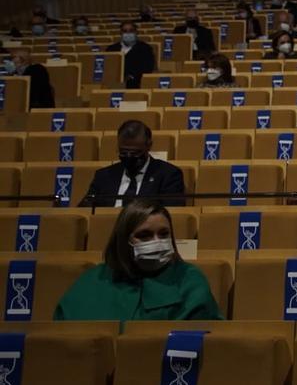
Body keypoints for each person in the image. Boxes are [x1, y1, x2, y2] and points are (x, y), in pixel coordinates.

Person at [55, 199, 222, 321]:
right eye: (144, 235)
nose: (157, 241)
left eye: (164, 234)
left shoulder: (189, 280)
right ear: (123, 240)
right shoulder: (92, 281)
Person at [80, 121, 186, 207]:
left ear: (149, 146)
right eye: (123, 152)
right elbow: (85, 210)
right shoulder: (103, 176)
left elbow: (171, 214)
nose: (129, 157)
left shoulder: (168, 175)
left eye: (135, 153)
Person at [105, 21, 156, 88]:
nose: (128, 33)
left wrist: (131, 76)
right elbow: (108, 67)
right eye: (125, 31)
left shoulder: (145, 48)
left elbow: (148, 67)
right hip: (114, 83)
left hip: (137, 83)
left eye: (131, 30)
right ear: (120, 33)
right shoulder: (111, 49)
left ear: (136, 32)